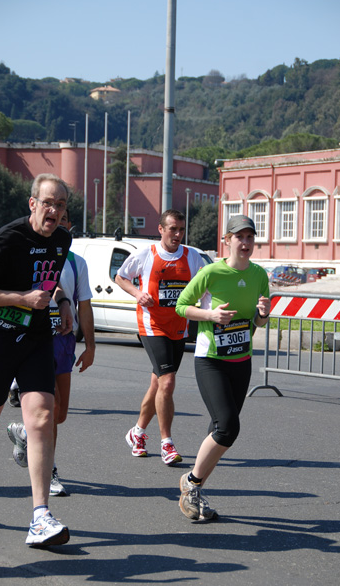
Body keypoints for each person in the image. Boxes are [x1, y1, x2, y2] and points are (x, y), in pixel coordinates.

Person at [0, 173, 73, 546]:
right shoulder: (8, 238)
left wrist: (62, 302)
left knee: (43, 417)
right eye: (48, 203)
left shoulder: (62, 239)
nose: (54, 211)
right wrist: (21, 299)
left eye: (60, 205)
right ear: (33, 204)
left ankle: (40, 516)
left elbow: (48, 281)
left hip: (35, 339)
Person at [175, 215, 271, 520]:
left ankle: (196, 491)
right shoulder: (211, 272)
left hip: (241, 361)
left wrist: (263, 316)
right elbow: (181, 305)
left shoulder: (258, 275)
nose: (245, 243)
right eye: (239, 237)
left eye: (250, 238)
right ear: (226, 241)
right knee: (228, 426)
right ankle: (191, 484)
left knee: (217, 430)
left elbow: (255, 322)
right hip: (211, 360)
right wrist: (211, 316)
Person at [8, 209, 95, 496]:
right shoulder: (31, 252)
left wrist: (90, 345)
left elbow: (84, 305)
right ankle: (51, 471)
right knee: (48, 407)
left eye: (64, 220)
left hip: (65, 341)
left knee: (60, 414)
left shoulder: (76, 262)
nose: (59, 223)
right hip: (37, 337)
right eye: (55, 218)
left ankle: (24, 432)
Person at [115, 209, 204, 465]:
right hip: (152, 325)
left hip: (178, 326)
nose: (177, 234)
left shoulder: (192, 256)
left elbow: (206, 283)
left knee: (157, 384)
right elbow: (120, 277)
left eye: (181, 229)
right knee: (167, 382)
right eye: (173, 229)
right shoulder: (146, 254)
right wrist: (137, 293)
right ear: (161, 229)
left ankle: (137, 432)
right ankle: (167, 443)